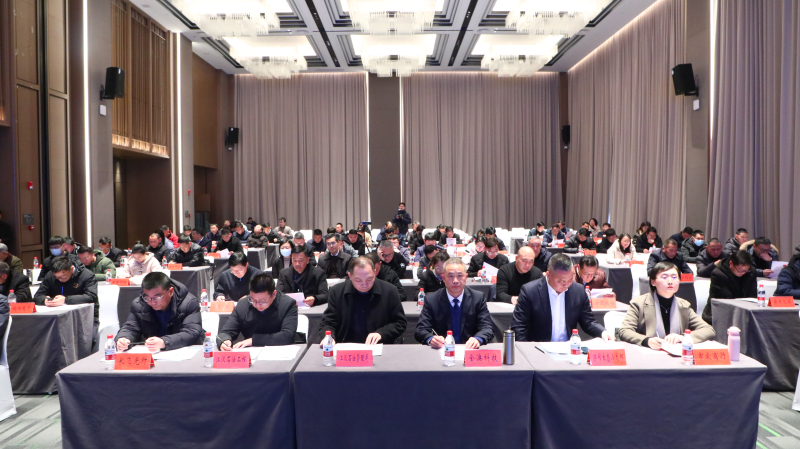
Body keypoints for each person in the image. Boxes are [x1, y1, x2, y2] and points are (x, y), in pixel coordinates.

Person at [511, 254, 614, 342]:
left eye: (570, 279)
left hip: (568, 348)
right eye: (561, 281)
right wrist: (527, 349)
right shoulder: (530, 291)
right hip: (539, 349)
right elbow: (519, 326)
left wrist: (603, 332)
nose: (567, 284)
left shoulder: (578, 290)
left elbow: (588, 321)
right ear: (548, 275)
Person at [619, 262, 714, 348]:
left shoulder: (684, 306)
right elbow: (625, 331)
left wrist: (683, 337)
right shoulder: (639, 303)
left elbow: (708, 330)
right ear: (653, 282)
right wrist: (646, 341)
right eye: (664, 277)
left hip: (676, 353)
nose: (670, 281)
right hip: (649, 354)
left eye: (674, 277)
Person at [319, 256, 406, 344]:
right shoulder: (337, 291)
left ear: (375, 272)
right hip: (346, 344)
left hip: (379, 345)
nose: (364, 284)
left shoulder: (390, 291)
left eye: (369, 279)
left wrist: (381, 333)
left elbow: (399, 323)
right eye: (358, 280)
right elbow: (328, 322)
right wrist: (329, 337)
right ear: (350, 276)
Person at [415, 258, 493, 348]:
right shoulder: (431, 299)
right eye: (451, 276)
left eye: (460, 275)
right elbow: (421, 330)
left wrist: (478, 339)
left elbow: (487, 328)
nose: (455, 280)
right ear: (443, 278)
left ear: (466, 277)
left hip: (469, 349)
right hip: (442, 350)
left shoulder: (478, 298)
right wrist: (431, 339)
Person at [115, 272, 203, 352]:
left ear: (171, 291)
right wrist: (124, 338)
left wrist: (164, 342)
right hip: (154, 352)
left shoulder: (189, 302)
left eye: (157, 297)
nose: (152, 302)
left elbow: (191, 332)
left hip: (184, 350)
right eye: (147, 297)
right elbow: (130, 327)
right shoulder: (139, 304)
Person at [217, 274, 298, 350]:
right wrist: (225, 340)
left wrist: (253, 340)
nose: (257, 305)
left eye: (262, 301)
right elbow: (226, 332)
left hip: (280, 350)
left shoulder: (288, 304)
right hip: (251, 353)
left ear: (273, 294)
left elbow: (287, 336)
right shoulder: (243, 304)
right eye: (253, 300)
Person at [34, 256, 99, 343]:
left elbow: (92, 297)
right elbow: (37, 296)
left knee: (85, 341)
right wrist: (45, 300)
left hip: (84, 317)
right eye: (57, 278)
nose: (60, 280)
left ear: (71, 269)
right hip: (56, 317)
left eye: (63, 277)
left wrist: (66, 300)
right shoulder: (50, 276)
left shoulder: (86, 275)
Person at [702, 251, 757, 324]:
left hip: (743, 311)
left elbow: (753, 295)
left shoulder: (751, 272)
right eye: (740, 271)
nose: (743, 273)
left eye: (746, 271)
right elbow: (728, 300)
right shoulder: (718, 274)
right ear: (731, 263)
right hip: (719, 312)